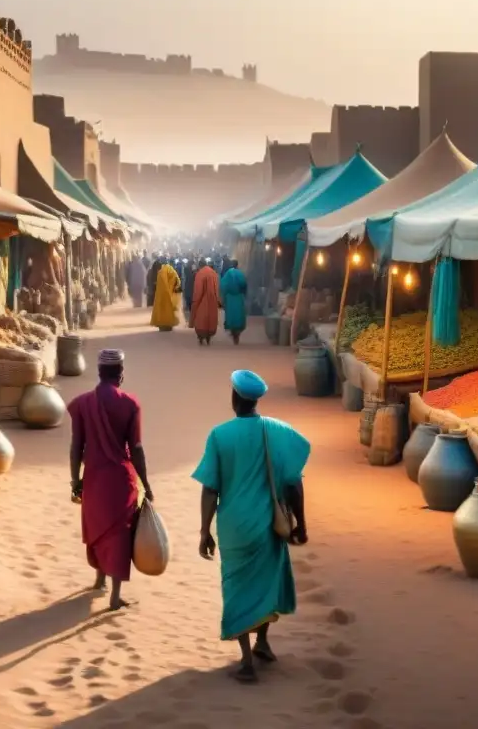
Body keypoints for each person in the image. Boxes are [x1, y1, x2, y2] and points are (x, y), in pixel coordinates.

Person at [193, 370, 310, 683]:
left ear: (234, 397)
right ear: (256, 399)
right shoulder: (278, 430)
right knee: (266, 583)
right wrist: (301, 524)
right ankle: (263, 641)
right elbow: (294, 483)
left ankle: (246, 659)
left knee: (237, 586)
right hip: (268, 525)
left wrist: (204, 530)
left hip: (233, 526)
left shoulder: (219, 435)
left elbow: (210, 489)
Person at [68, 349, 152, 611]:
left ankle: (99, 579)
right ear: (121, 374)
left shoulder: (82, 403)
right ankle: (115, 596)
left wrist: (75, 480)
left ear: (100, 372)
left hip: (93, 479)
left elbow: (75, 447)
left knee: (97, 530)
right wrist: (147, 485)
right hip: (120, 481)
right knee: (118, 535)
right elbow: (136, 448)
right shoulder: (130, 404)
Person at [191, 258, 220, 345]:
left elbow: (198, 290)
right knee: (210, 320)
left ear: (199, 266)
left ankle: (201, 338)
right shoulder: (213, 273)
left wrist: (195, 301)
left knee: (201, 320)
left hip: (202, 301)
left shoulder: (200, 274)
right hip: (213, 301)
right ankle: (208, 338)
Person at [219, 259, 248, 345]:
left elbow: (223, 285)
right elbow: (244, 284)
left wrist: (224, 296)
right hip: (238, 297)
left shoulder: (228, 274)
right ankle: (237, 334)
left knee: (231, 315)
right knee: (239, 315)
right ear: (237, 265)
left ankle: (233, 331)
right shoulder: (240, 274)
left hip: (230, 298)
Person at [150, 260, 181, 330]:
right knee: (171, 309)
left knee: (165, 309)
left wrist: (162, 298)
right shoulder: (167, 267)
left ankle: (164, 324)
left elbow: (163, 287)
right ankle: (169, 324)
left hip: (168, 292)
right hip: (175, 287)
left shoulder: (161, 272)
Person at [182, 258, 197, 324]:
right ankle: (192, 316)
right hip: (192, 287)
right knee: (191, 301)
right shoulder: (192, 270)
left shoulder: (186, 268)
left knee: (189, 301)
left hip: (188, 286)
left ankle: (191, 316)